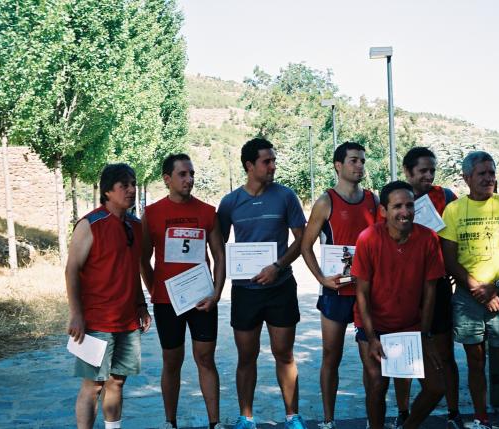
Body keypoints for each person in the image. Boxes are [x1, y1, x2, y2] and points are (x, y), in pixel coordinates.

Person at [218, 138, 308, 429]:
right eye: (266, 161)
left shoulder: (286, 196)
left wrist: (278, 266)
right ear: (249, 166)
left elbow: (302, 239)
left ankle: (293, 416)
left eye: (273, 160)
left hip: (281, 287)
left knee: (284, 354)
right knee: (247, 356)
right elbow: (217, 245)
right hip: (245, 292)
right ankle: (246, 418)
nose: (273, 166)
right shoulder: (230, 202)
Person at [438, 151, 499, 429]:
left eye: (492, 172)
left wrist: (496, 287)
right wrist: (477, 288)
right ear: (467, 178)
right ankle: (481, 418)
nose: (489, 178)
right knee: (474, 360)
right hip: (468, 296)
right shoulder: (453, 210)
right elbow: (449, 257)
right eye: (482, 173)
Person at [141, 154, 226, 429]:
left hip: (202, 299)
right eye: (182, 174)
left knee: (205, 358)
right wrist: (154, 288)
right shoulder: (152, 214)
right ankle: (170, 422)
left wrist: (216, 293)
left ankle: (215, 422)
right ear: (167, 179)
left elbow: (219, 256)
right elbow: (143, 259)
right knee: (172, 361)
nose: (189, 179)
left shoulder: (207, 211)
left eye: (191, 173)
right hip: (168, 302)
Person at [353, 180, 446, 429]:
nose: (404, 212)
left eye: (409, 205)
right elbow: (361, 292)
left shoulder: (428, 238)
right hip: (375, 325)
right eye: (397, 206)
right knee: (377, 385)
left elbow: (430, 292)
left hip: (411, 326)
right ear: (383, 210)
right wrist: (371, 337)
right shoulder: (369, 238)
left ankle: (408, 426)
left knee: (436, 386)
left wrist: (425, 335)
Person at [66, 163, 152, 429]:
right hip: (95, 322)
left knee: (117, 381)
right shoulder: (90, 224)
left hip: (127, 321)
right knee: (93, 385)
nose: (130, 190)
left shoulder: (136, 226)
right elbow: (71, 270)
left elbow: (133, 268)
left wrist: (141, 304)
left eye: (133, 184)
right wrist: (77, 314)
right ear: (107, 191)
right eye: (123, 185)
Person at [300, 142, 378, 429]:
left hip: (366, 294)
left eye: (362, 161)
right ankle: (328, 419)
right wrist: (321, 278)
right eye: (354, 161)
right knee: (331, 356)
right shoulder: (325, 201)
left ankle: (374, 419)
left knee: (370, 358)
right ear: (338, 165)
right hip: (336, 292)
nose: (359, 166)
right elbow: (306, 246)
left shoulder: (373, 200)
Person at [394, 147, 462, 429]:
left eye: (432, 170)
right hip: (405, 288)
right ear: (408, 172)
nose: (429, 175)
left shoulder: (445, 196)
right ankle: (403, 411)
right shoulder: (395, 198)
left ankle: (454, 411)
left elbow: (457, 232)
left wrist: (455, 265)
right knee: (404, 354)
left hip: (438, 283)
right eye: (423, 170)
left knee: (445, 352)